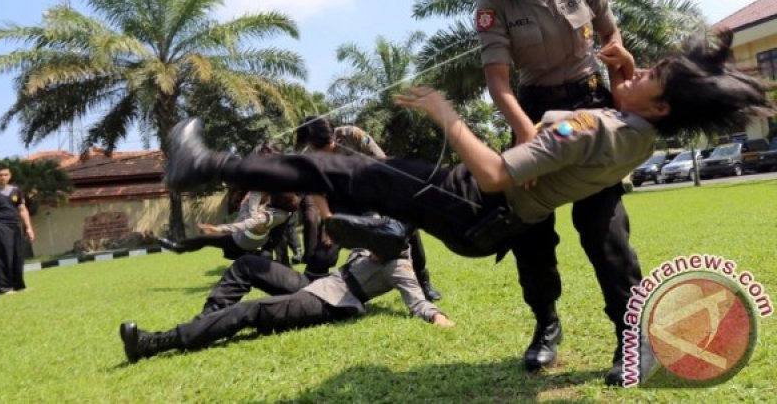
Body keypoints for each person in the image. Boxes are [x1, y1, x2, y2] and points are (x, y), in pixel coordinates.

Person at [162, 29, 773, 384]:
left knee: (337, 170)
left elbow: (499, 172)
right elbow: (630, 113)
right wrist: (634, 74)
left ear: (661, 106)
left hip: (475, 203)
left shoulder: (590, 125)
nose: (636, 72)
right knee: (354, 177)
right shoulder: (636, 134)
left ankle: (204, 166)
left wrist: (447, 114)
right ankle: (342, 217)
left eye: (650, 75)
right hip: (481, 210)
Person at [471, 0, 649, 383]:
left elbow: (614, 45)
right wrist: (527, 142)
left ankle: (630, 336)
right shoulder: (492, 5)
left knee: (605, 229)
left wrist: (623, 96)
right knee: (530, 232)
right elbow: (499, 84)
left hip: (590, 110)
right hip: (531, 114)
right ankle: (546, 326)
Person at [119, 245, 454, 362]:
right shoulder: (375, 233)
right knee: (248, 264)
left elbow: (418, 302)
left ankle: (156, 343)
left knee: (252, 310)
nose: (374, 242)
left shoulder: (400, 267)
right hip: (317, 282)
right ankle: (208, 319)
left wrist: (437, 317)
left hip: (330, 301)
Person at [296, 115, 442, 301]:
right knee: (326, 248)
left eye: (328, 147)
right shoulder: (309, 156)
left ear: (333, 136)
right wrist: (328, 220)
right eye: (320, 150)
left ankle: (423, 280)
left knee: (406, 229)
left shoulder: (353, 135)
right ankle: (310, 287)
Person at [158, 144, 299, 260]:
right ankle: (263, 257)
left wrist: (218, 229)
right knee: (271, 242)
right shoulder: (278, 204)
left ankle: (177, 247)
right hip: (253, 239)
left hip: (242, 241)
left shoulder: (266, 214)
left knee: (208, 240)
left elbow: (245, 224)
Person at [0, 162, 36, 295]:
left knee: (17, 255)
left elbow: (22, 210)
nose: (3, 177)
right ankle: (4, 288)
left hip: (15, 225)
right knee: (4, 255)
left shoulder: (16, 190)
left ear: (10, 175)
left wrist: (29, 228)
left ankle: (18, 286)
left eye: (5, 174)